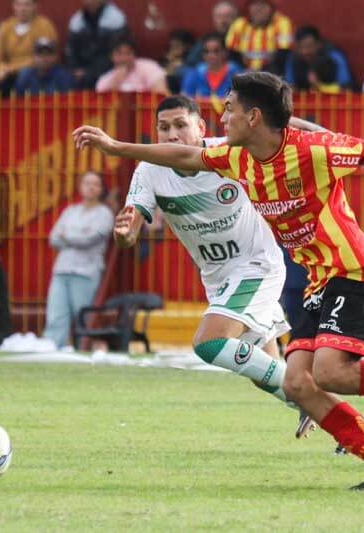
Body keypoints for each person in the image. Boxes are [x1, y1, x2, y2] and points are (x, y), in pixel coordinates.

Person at [73, 71, 364, 491]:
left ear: (253, 117)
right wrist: (115, 148)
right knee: (298, 384)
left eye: (229, 110)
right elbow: (185, 159)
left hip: (356, 272)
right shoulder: (234, 158)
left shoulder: (312, 150)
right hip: (317, 282)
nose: (223, 119)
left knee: (328, 373)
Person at [115, 94, 319, 437]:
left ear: (201, 128)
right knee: (262, 373)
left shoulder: (229, 151)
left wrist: (328, 136)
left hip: (258, 265)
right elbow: (130, 232)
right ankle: (337, 418)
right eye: (164, 128)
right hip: (219, 279)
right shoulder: (149, 169)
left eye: (181, 125)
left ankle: (315, 399)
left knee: (210, 343)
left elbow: (282, 130)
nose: (172, 135)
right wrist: (123, 233)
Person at [43, 171, 113, 348]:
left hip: (86, 271)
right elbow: (53, 238)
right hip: (62, 269)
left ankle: (84, 350)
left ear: (101, 189)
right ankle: (52, 349)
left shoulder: (105, 214)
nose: (91, 187)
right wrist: (77, 235)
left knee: (83, 315)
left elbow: (89, 239)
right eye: (87, 183)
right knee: (55, 315)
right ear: (80, 187)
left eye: (95, 184)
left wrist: (67, 235)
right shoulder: (70, 211)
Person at [0, 0, 57, 91]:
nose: (22, 9)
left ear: (35, 6)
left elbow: (44, 57)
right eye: (18, 4)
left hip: (35, 71)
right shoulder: (6, 26)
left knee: (25, 74)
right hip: (7, 72)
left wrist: (11, 68)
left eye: (27, 5)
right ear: (13, 6)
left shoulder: (44, 25)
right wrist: (1, 68)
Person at [66, 0, 127, 89]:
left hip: (109, 71)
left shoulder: (116, 19)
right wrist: (75, 69)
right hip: (81, 74)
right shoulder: (76, 21)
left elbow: (117, 52)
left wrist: (90, 72)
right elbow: (70, 52)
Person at [225, 0, 293, 71]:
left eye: (263, 4)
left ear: (271, 7)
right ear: (249, 7)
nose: (259, 8)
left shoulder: (281, 23)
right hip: (243, 72)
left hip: (273, 74)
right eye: (255, 4)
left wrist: (260, 72)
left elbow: (284, 53)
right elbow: (231, 52)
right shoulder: (239, 24)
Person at [283, 26, 352, 91]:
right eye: (300, 47)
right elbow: (289, 86)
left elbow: (345, 87)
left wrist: (320, 86)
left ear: (319, 44)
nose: (305, 52)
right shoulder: (293, 58)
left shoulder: (334, 56)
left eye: (309, 46)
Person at [95, 35, 168, 93]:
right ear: (111, 56)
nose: (124, 58)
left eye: (128, 53)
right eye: (119, 53)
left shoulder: (149, 67)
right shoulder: (103, 80)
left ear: (135, 55)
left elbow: (160, 94)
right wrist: (114, 83)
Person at [180, 33, 242, 98]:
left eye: (216, 51)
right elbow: (185, 99)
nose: (211, 55)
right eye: (206, 51)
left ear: (225, 52)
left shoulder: (236, 72)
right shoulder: (194, 73)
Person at [186, 1, 241, 66]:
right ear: (214, 19)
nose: (223, 20)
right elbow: (191, 61)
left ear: (236, 19)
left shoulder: (244, 39)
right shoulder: (205, 39)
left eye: (227, 16)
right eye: (219, 16)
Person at [160, 29, 195, 94]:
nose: (174, 48)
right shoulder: (166, 57)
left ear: (187, 46)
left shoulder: (190, 61)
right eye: (172, 45)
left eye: (178, 45)